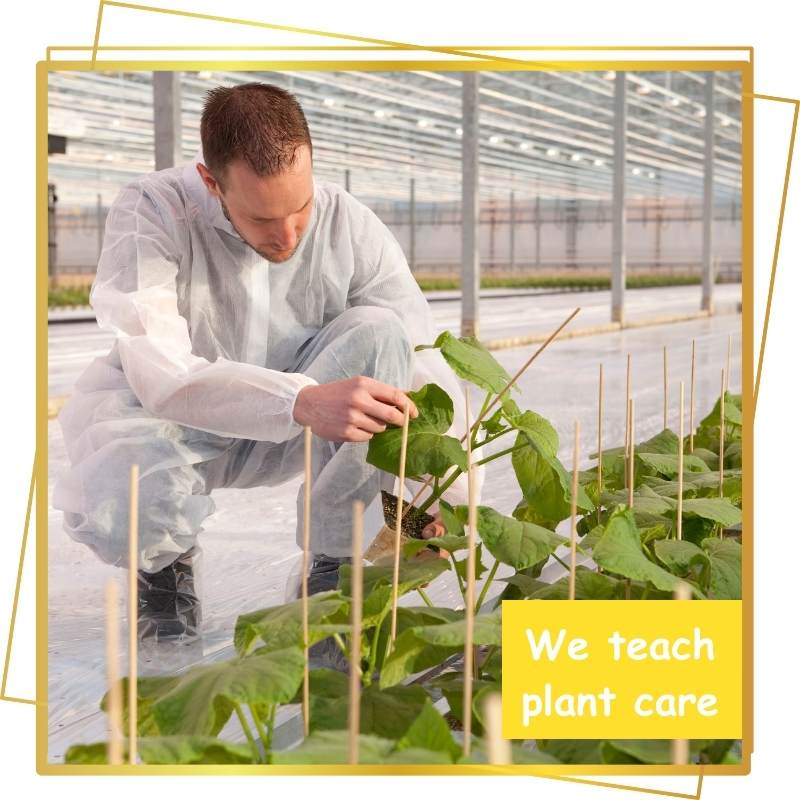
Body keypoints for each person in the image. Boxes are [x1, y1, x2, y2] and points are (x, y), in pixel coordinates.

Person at [52, 81, 484, 642]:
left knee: (382, 330)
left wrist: (437, 497)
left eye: (300, 209)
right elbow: (160, 370)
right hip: (183, 422)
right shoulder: (155, 211)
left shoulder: (348, 223)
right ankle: (164, 570)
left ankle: (334, 561)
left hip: (311, 427)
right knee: (124, 467)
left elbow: (420, 363)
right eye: (260, 219)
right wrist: (297, 400)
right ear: (212, 183)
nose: (287, 237)